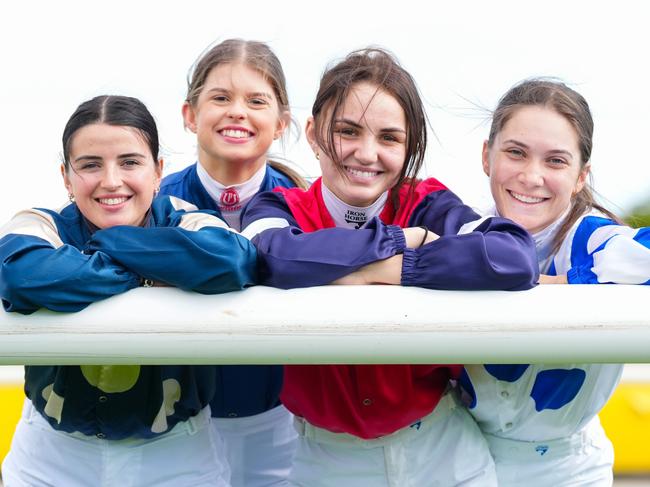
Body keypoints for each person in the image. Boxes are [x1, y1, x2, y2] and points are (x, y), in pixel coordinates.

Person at [241, 48, 539, 486]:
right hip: (324, 459)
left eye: (389, 138)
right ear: (312, 130)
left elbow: (514, 256)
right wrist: (400, 238)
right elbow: (271, 258)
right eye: (348, 131)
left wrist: (386, 271)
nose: (367, 153)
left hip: (442, 454)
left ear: (408, 146)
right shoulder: (275, 205)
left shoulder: (427, 201)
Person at [0, 95, 258, 487]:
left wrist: (101, 250)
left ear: (157, 171)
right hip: (50, 453)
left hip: (177, 453)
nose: (111, 181)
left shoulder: (188, 218)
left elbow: (233, 260)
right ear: (66, 178)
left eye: (129, 162)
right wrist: (153, 274)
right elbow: (18, 274)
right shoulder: (41, 224)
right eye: (90, 165)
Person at [461, 78, 650, 486]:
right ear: (485, 157)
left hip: (570, 469)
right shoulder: (462, 233)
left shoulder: (592, 238)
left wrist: (565, 282)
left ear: (582, 176)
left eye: (556, 161)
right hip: (461, 458)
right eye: (516, 153)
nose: (532, 177)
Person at [159, 39, 305, 487]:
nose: (237, 112)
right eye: (220, 98)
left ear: (280, 123)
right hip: (180, 427)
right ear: (190, 115)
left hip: (284, 425)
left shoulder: (306, 205)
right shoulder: (153, 202)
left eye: (256, 101)